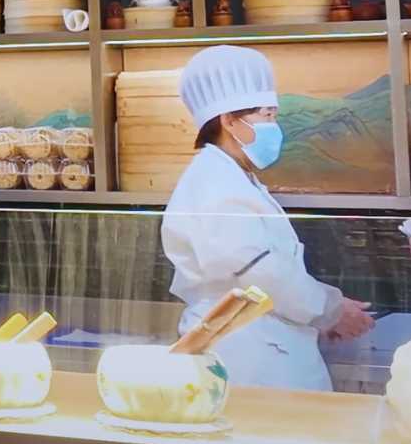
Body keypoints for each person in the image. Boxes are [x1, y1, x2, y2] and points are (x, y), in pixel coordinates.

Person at [159, 45, 373, 390]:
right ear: (229, 120)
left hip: (264, 341)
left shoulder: (233, 176)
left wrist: (322, 312)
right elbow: (263, 275)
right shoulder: (216, 184)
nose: (275, 126)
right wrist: (331, 310)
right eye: (267, 115)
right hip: (247, 352)